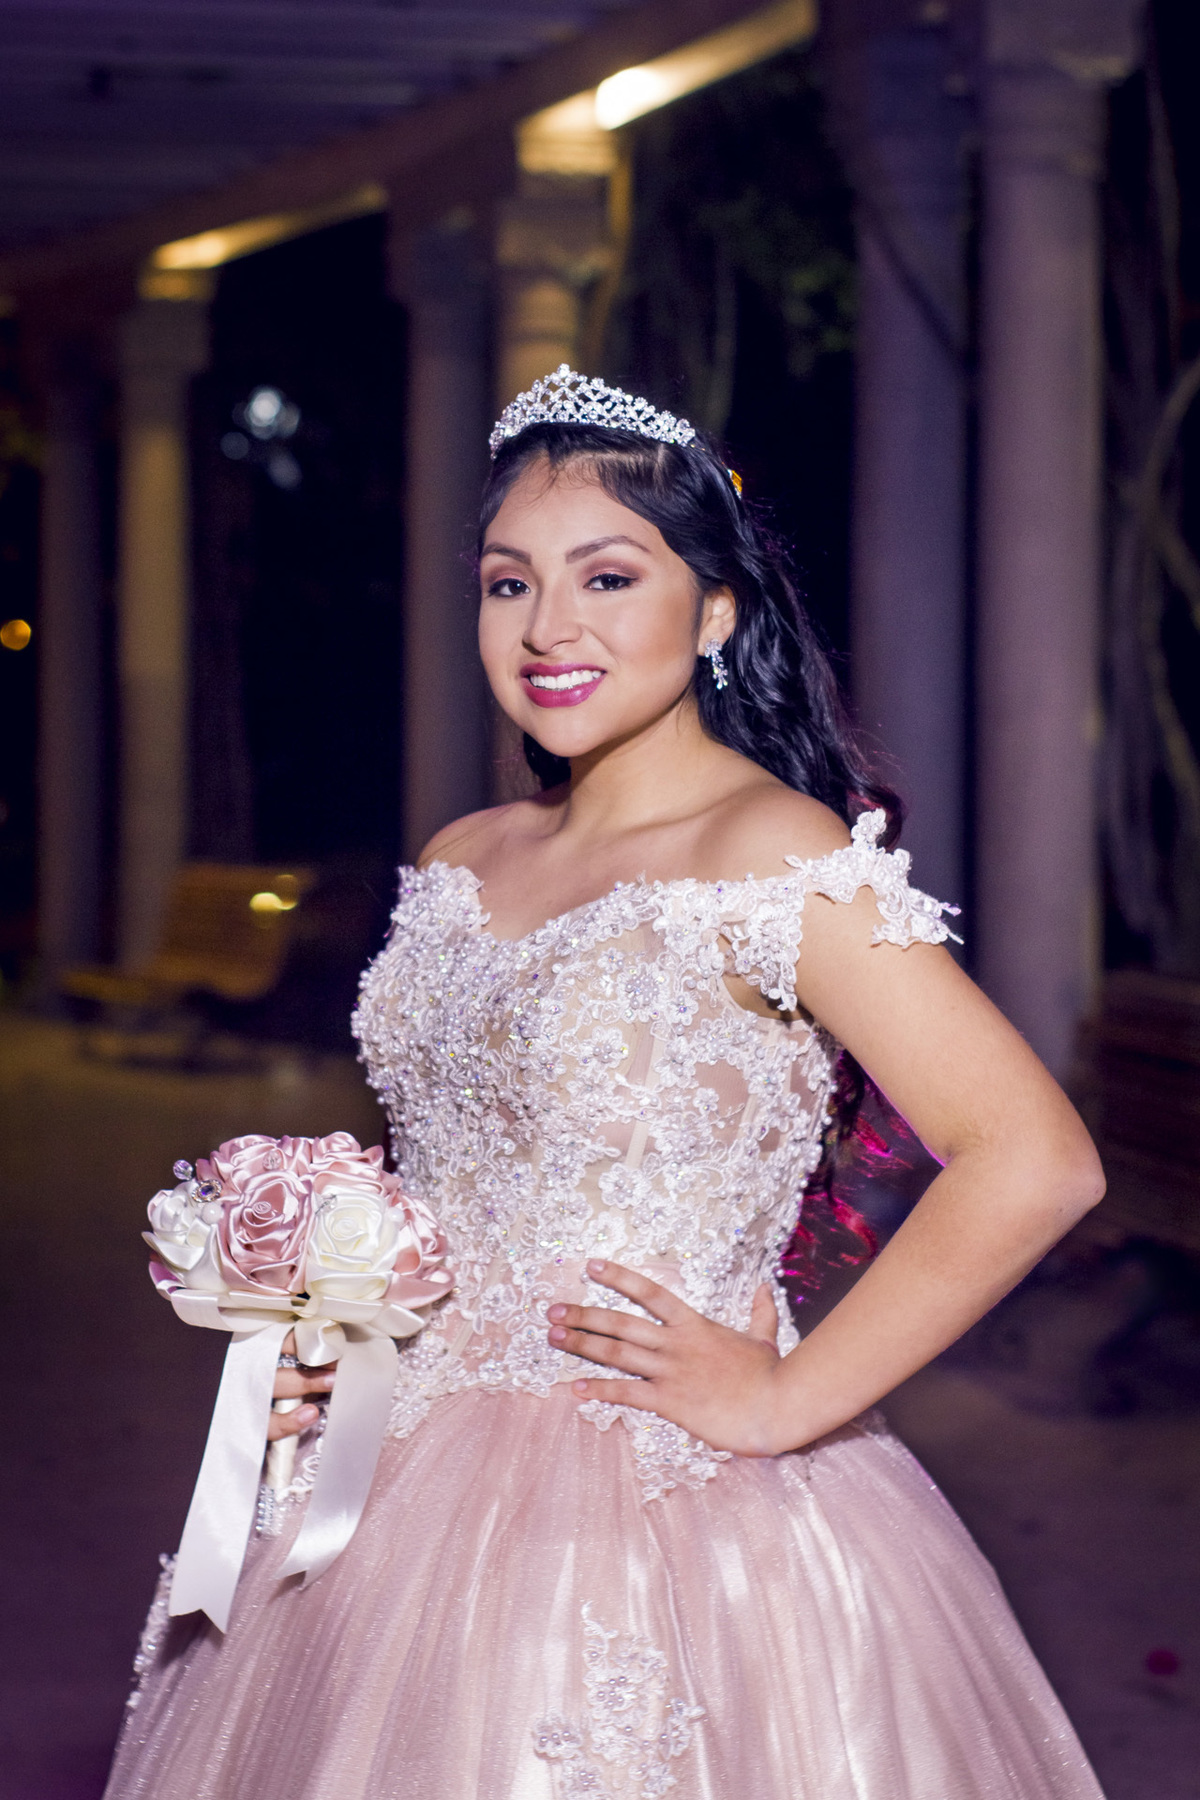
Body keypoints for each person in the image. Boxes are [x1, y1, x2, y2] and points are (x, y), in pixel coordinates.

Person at [106, 367, 1106, 1799]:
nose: (549, 627)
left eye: (608, 576)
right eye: (509, 584)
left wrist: (786, 1396)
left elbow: (1032, 1153)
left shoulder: (769, 848)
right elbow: (454, 1174)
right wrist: (337, 1333)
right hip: (392, 1473)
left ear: (714, 613)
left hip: (662, 1501)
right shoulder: (463, 856)